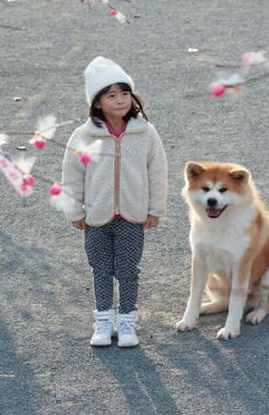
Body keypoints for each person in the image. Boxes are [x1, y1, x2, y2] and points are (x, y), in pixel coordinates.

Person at [61, 56, 168, 347]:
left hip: (133, 217)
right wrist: (74, 210)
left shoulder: (146, 133)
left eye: (124, 93)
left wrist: (155, 209)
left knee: (128, 271)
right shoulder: (82, 136)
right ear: (97, 102)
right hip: (96, 218)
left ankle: (128, 321)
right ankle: (104, 321)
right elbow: (72, 176)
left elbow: (157, 173)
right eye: (111, 95)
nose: (120, 100)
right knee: (100, 269)